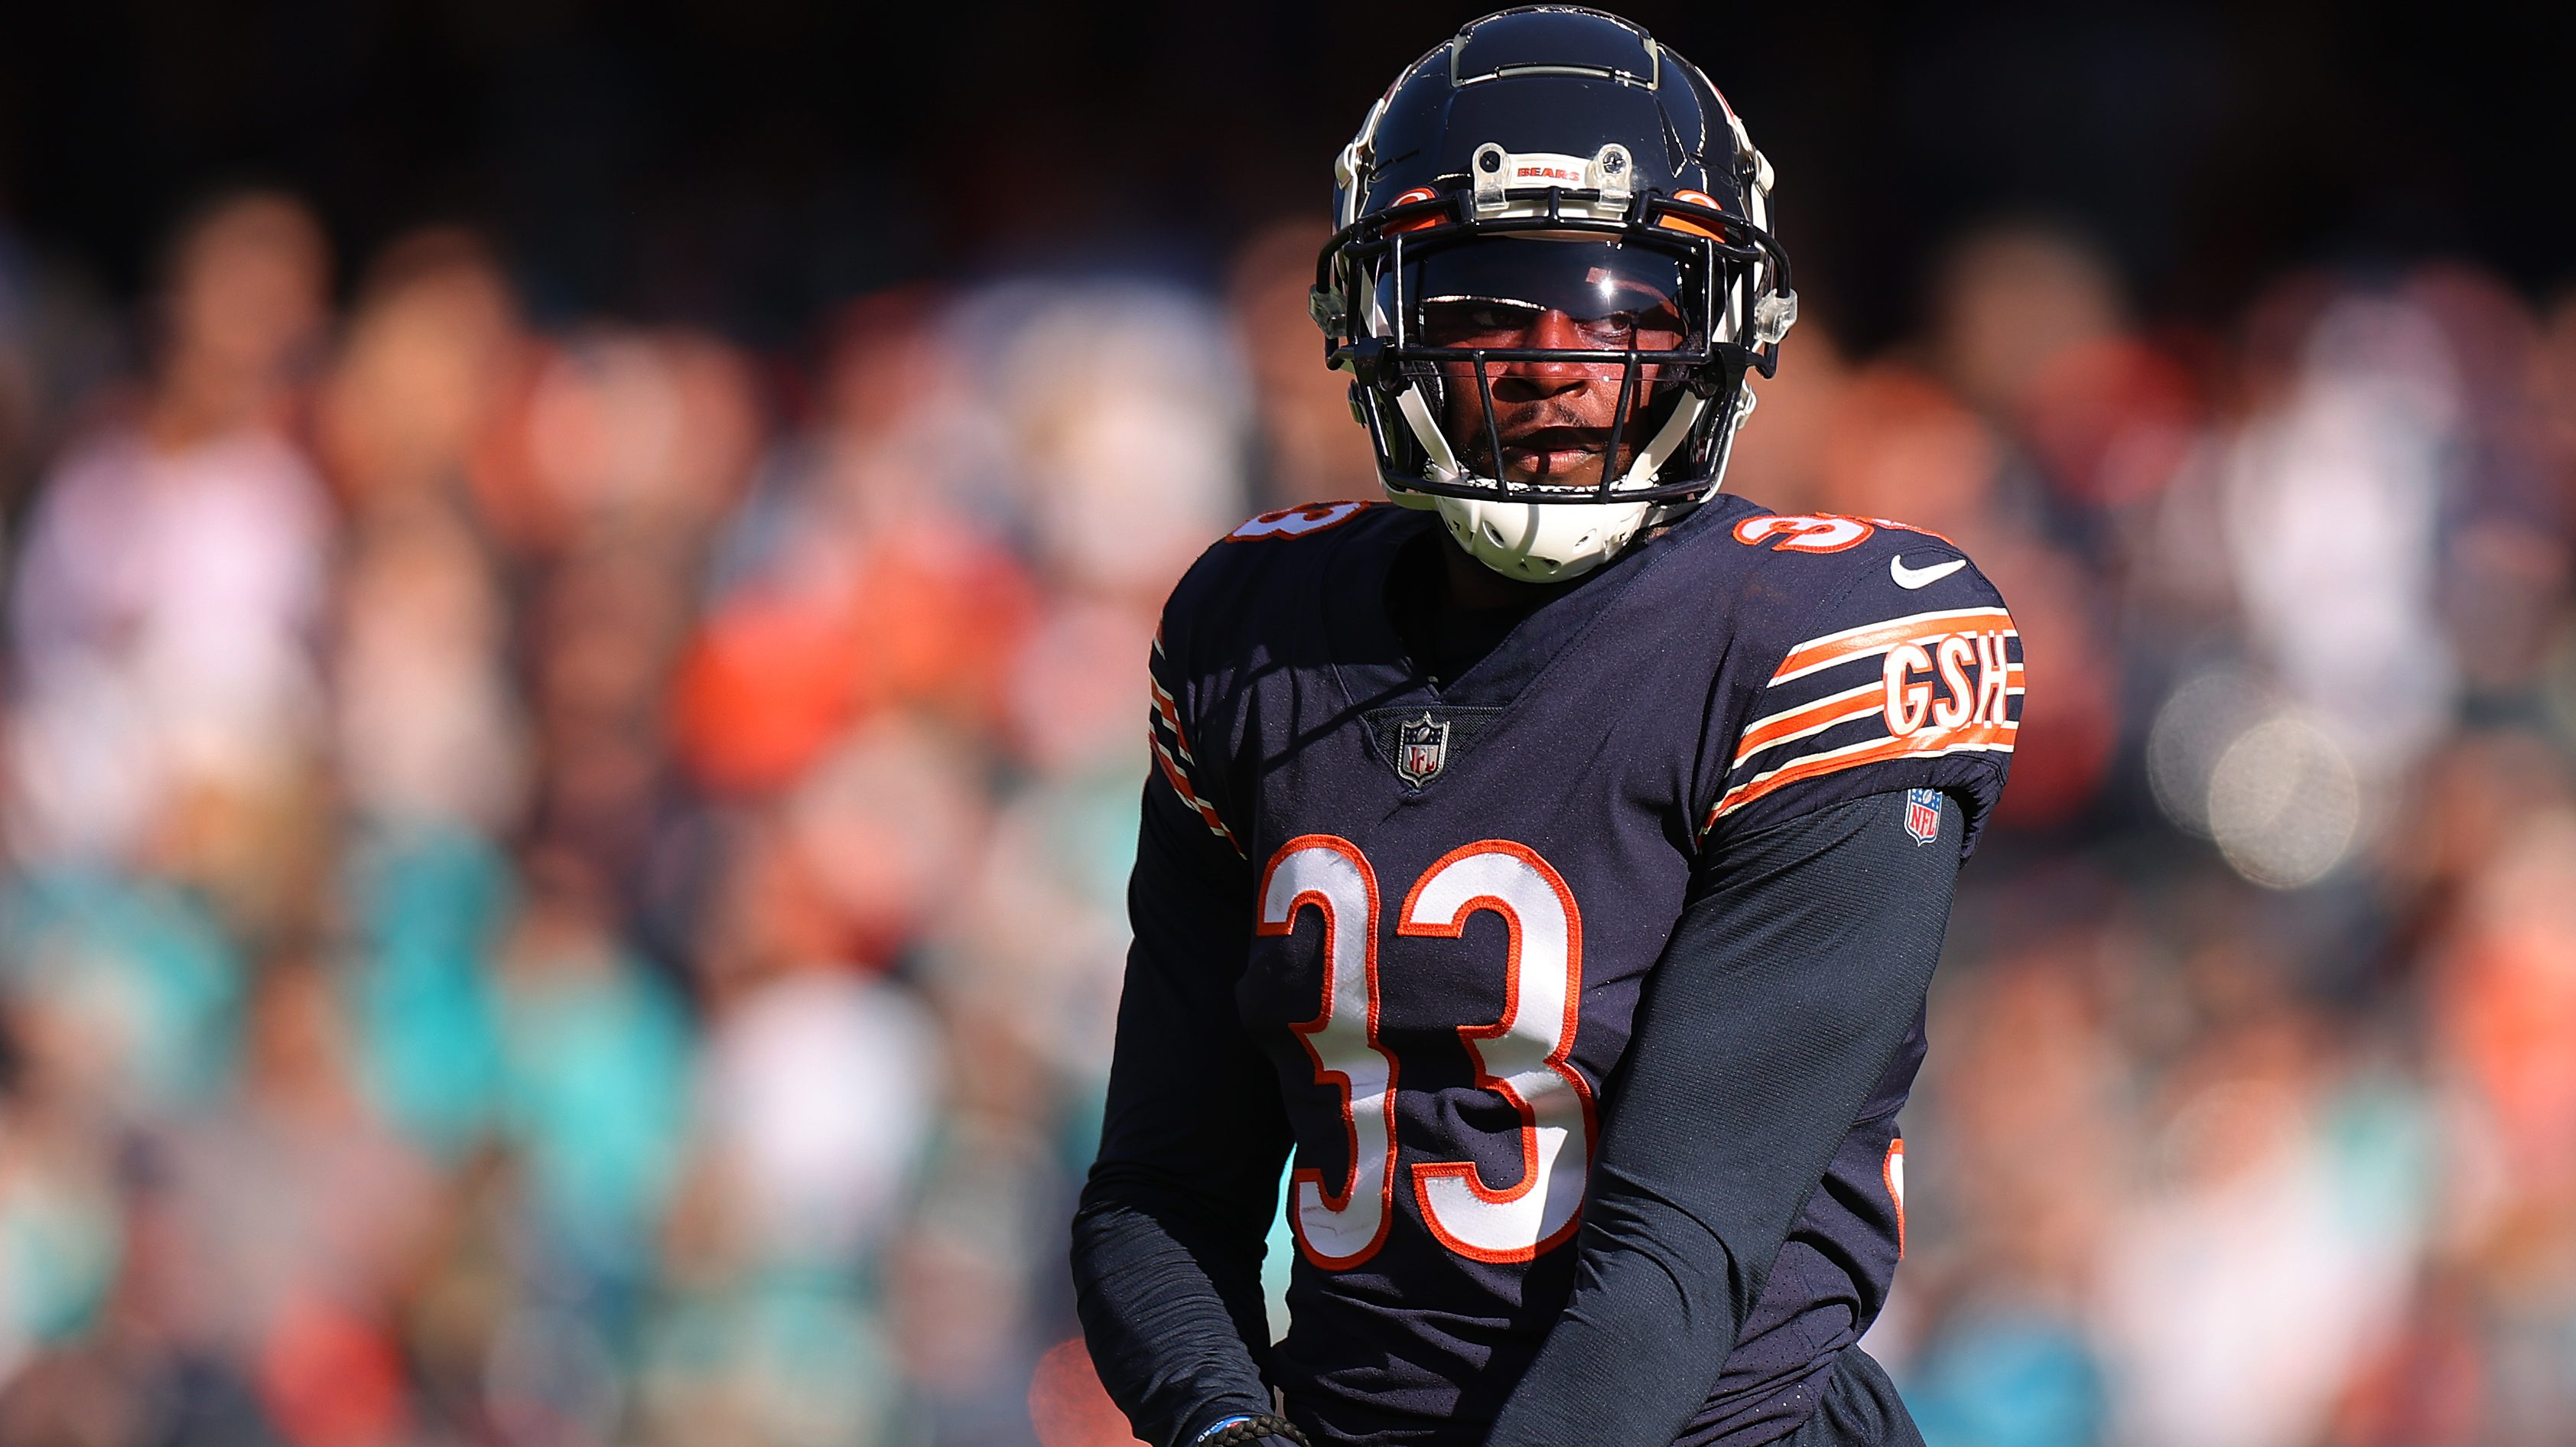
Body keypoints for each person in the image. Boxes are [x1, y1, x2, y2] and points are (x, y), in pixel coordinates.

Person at [1070, 10, 2020, 1446]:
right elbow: (1156, 1194)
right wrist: (1219, 1428)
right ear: (1373, 317)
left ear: (1730, 322)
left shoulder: (1818, 642)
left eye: (1626, 298)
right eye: (1486, 298)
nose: (1557, 358)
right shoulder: (1250, 633)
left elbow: (1679, 1251)